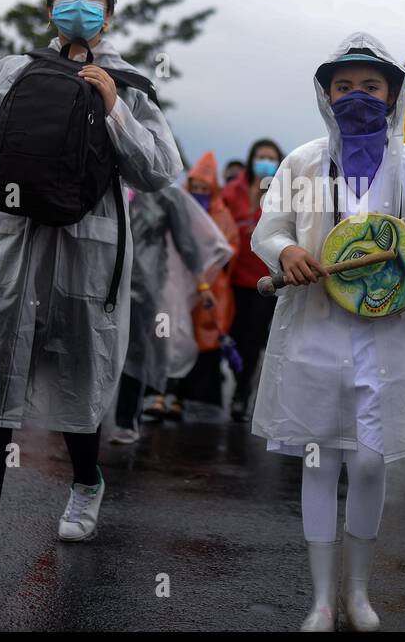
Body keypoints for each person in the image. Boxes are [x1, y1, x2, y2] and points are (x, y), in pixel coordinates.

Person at [0, 0, 180, 586]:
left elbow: (159, 171)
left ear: (110, 12)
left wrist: (115, 108)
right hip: (7, 242)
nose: (79, 2)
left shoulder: (129, 82)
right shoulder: (12, 71)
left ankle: (87, 480)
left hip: (87, 247)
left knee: (80, 368)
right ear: (50, 9)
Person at [251, 32, 405, 631]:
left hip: (386, 335)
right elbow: (269, 227)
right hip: (314, 331)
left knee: (369, 462)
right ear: (326, 93)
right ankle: (319, 600)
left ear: (393, 93)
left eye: (371, 85)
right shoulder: (303, 161)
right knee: (319, 460)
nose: (357, 95)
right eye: (344, 86)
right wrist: (286, 251)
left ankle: (359, 593)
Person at [116, 180, 229, 436]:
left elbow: (185, 242)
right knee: (100, 350)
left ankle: (125, 421)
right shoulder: (113, 184)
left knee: (136, 352)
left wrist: (202, 285)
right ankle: (87, 427)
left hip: (147, 286)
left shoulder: (168, 194)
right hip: (106, 280)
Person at [221, 138, 284, 421]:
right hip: (232, 279)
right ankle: (235, 381)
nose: (265, 161)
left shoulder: (283, 193)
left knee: (252, 340)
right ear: (251, 158)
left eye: (271, 157)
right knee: (231, 335)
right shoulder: (232, 191)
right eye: (261, 156)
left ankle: (241, 393)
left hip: (265, 282)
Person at [175, 152, 240, 410]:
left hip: (212, 288)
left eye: (205, 188)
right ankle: (172, 395)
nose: (200, 192)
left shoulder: (222, 216)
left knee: (206, 337)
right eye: (196, 187)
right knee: (178, 336)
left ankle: (199, 397)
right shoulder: (179, 210)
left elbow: (231, 247)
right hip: (180, 286)